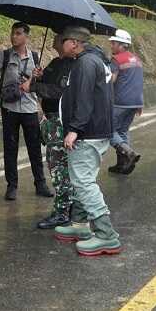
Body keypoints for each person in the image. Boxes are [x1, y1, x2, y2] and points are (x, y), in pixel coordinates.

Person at [53, 25, 121, 256]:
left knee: (83, 182)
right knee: (83, 179)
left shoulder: (85, 63)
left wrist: (74, 129)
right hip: (96, 131)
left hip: (87, 133)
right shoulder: (96, 59)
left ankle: (106, 234)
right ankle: (80, 224)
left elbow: (84, 98)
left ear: (73, 43)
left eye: (62, 40)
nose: (59, 44)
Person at [0, 22, 52, 201]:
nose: (14, 36)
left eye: (18, 33)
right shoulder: (5, 55)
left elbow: (39, 85)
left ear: (26, 36)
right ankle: (12, 186)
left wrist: (42, 107)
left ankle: (40, 183)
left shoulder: (35, 56)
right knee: (10, 148)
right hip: (10, 109)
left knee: (34, 148)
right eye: (12, 33)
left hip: (30, 109)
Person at [27, 33, 78, 229]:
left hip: (61, 122)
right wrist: (38, 76)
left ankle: (63, 211)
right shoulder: (56, 62)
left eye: (59, 38)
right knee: (57, 166)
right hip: (51, 121)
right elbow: (46, 82)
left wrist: (34, 87)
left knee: (59, 168)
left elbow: (60, 92)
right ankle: (70, 207)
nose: (54, 40)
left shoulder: (73, 66)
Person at [107, 30, 143, 175]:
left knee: (108, 130)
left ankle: (129, 153)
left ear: (122, 45)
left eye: (114, 43)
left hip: (120, 102)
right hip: (135, 102)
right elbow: (138, 82)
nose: (111, 45)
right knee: (122, 131)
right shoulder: (137, 59)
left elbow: (111, 80)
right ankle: (123, 164)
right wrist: (140, 103)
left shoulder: (116, 59)